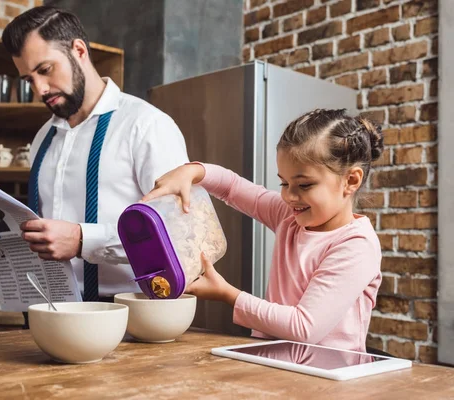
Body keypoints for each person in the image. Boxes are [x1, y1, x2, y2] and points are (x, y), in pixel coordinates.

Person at [0, 7, 189, 311]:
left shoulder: (146, 125)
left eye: (46, 70)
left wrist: (81, 239)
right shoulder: (42, 138)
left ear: (78, 50)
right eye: (28, 79)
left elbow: (179, 235)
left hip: (130, 318)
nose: (40, 89)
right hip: (46, 314)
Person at [142, 109, 384, 352]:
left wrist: (228, 294)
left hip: (329, 378)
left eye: (304, 185)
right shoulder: (288, 216)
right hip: (275, 363)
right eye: (284, 183)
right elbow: (232, 188)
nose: (289, 195)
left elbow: (304, 328)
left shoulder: (356, 245)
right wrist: (192, 171)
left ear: (351, 181)